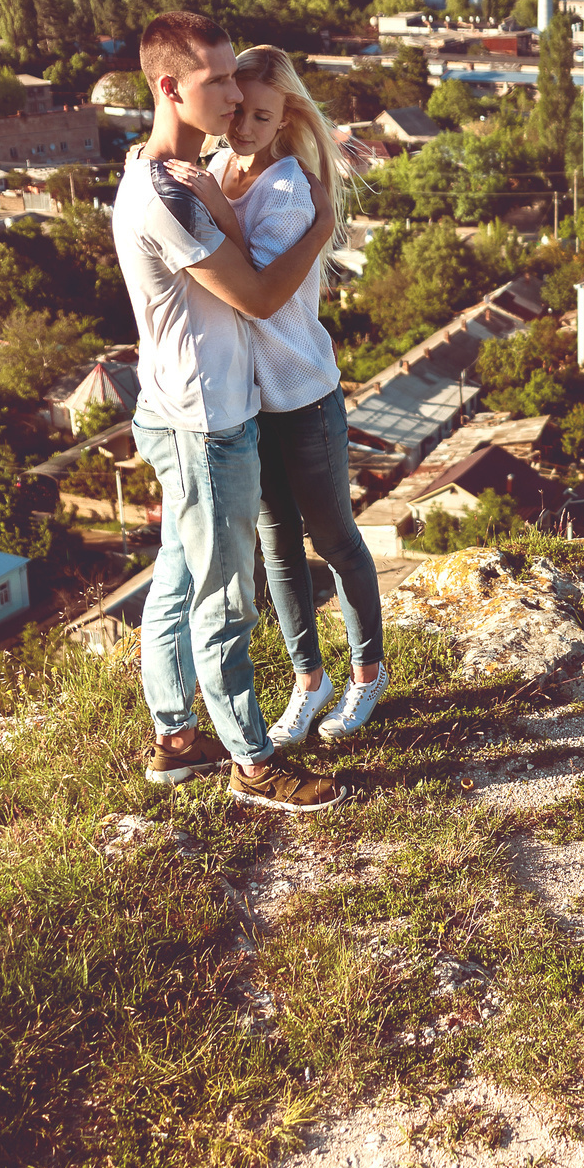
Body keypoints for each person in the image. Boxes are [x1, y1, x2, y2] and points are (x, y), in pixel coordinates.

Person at [112, 10, 341, 810]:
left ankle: (176, 738)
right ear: (170, 87)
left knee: (178, 576)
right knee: (223, 597)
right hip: (206, 421)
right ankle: (254, 762)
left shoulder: (174, 174)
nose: (234, 91)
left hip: (180, 407)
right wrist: (322, 226)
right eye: (217, 81)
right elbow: (261, 294)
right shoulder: (166, 198)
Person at [198, 46, 387, 745]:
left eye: (261, 116)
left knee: (335, 537)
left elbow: (256, 292)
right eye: (237, 112)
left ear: (286, 119)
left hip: (303, 396)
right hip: (248, 403)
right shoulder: (220, 167)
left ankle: (368, 673)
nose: (243, 126)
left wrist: (213, 201)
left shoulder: (287, 190)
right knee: (275, 548)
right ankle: (310, 680)